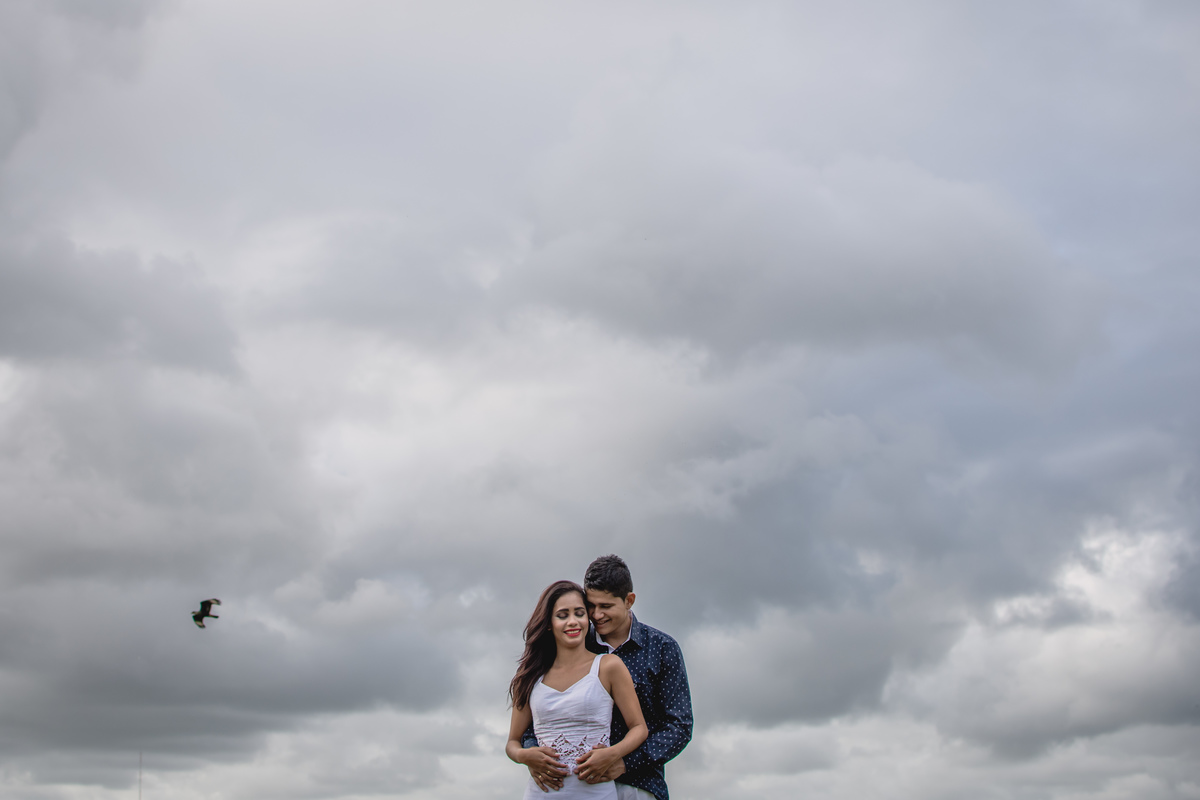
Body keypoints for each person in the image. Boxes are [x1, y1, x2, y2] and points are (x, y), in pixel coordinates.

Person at [523, 556, 693, 800]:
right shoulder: (574, 641)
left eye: (606, 606)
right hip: (574, 788)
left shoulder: (662, 648)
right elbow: (537, 716)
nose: (597, 614)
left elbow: (679, 726)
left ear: (629, 601)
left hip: (639, 785)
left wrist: (623, 763)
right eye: (591, 606)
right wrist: (534, 757)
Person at [507, 580, 649, 799]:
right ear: (548, 623)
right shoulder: (530, 676)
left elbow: (639, 728)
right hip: (541, 794)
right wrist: (524, 756)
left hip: (597, 793)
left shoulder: (608, 666)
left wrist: (612, 754)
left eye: (579, 613)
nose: (572, 621)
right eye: (562, 615)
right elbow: (512, 742)